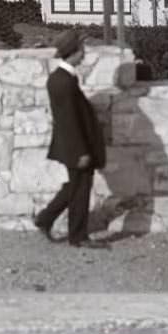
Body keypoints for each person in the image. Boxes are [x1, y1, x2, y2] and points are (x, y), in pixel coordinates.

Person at [34, 30, 108, 248]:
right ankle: (77, 236)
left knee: (75, 187)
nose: (84, 54)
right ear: (73, 53)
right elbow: (68, 121)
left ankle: (46, 219)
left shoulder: (61, 78)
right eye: (82, 50)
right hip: (76, 148)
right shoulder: (64, 82)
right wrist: (81, 152)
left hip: (73, 146)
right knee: (80, 189)